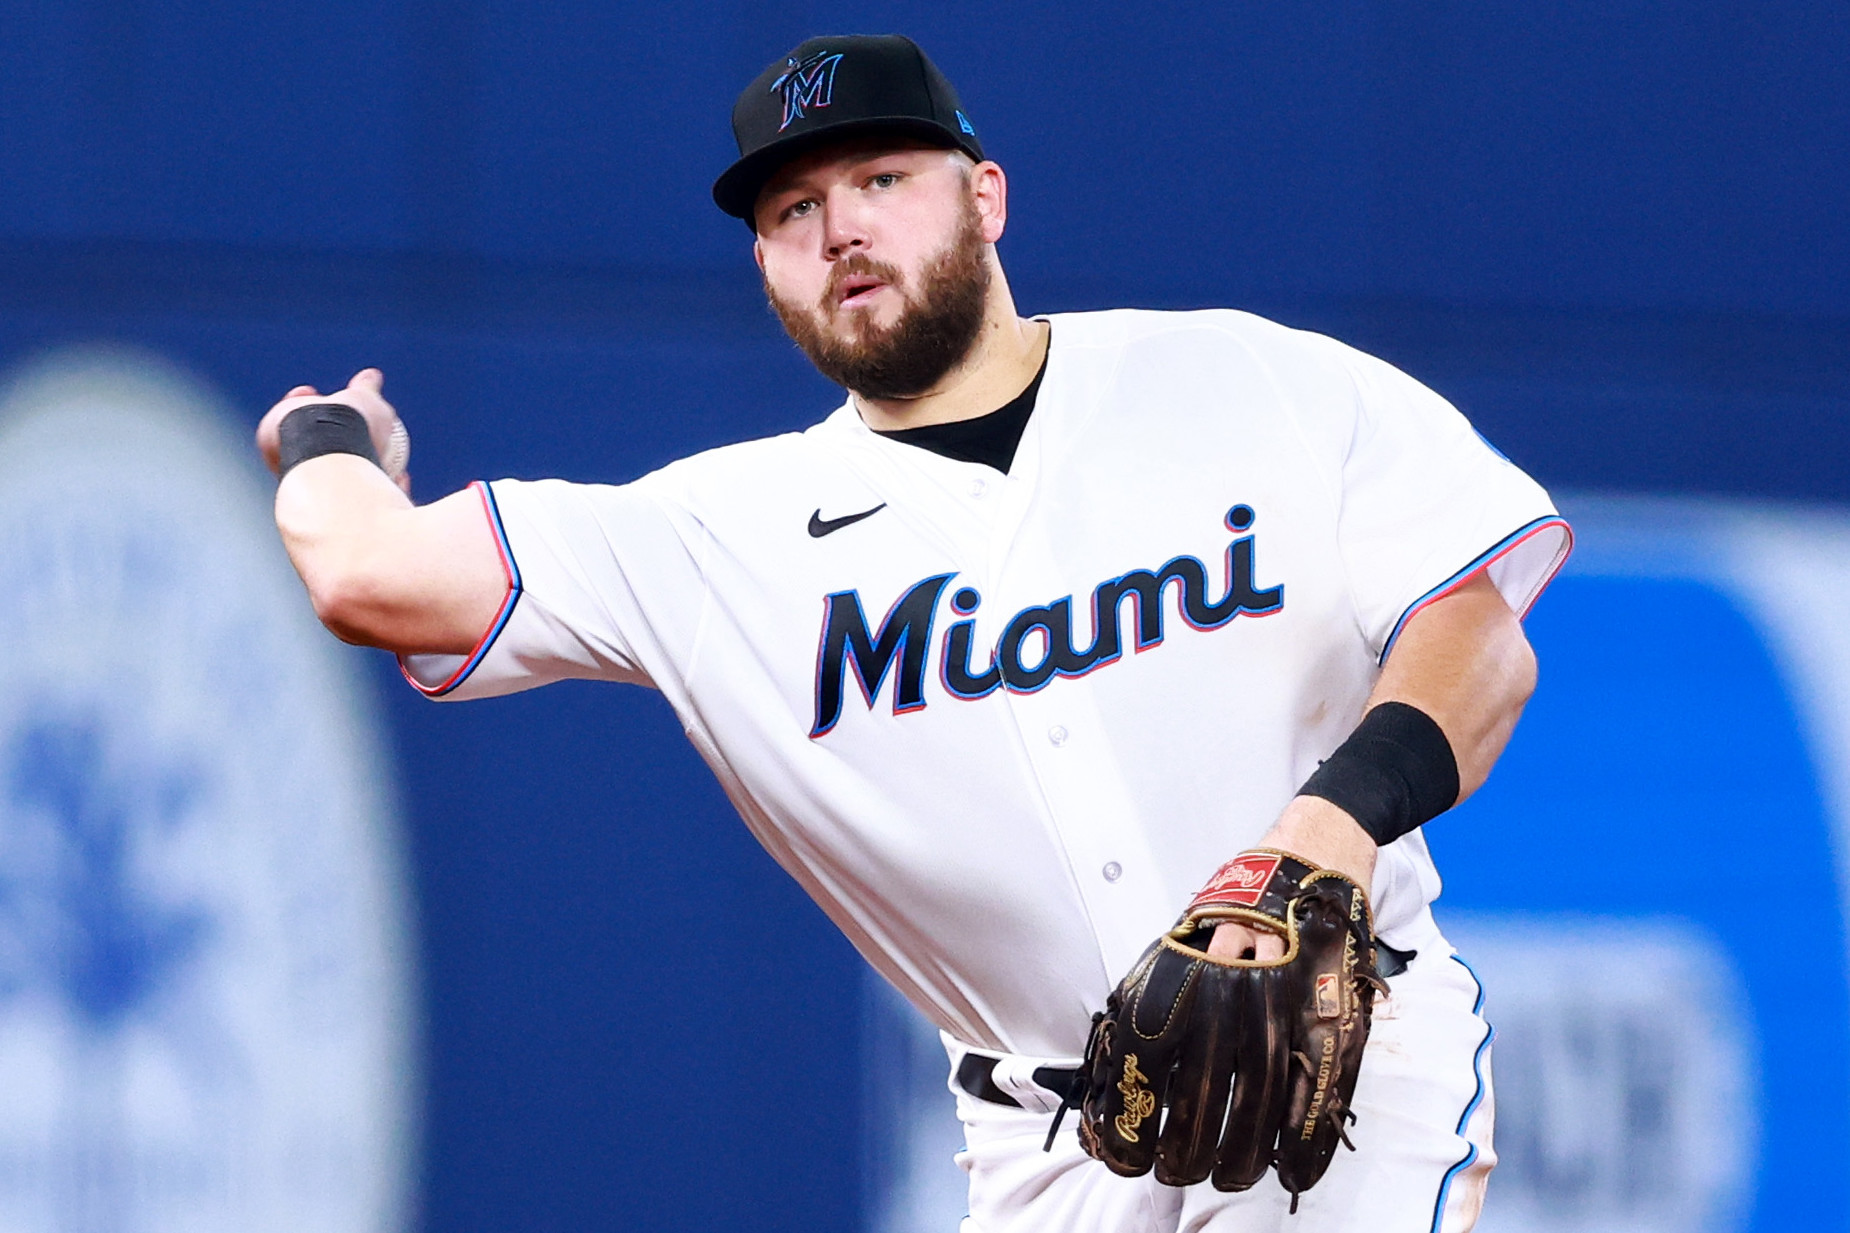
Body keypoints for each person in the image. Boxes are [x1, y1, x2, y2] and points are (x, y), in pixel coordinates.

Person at [256, 34, 1570, 1233]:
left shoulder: (1243, 381)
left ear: (984, 197)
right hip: (1046, 1149)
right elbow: (365, 572)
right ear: (764, 268)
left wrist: (1325, 827)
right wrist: (328, 444)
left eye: (881, 179)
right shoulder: (719, 539)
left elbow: (1478, 634)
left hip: (1337, 1066)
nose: (840, 229)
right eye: (792, 210)